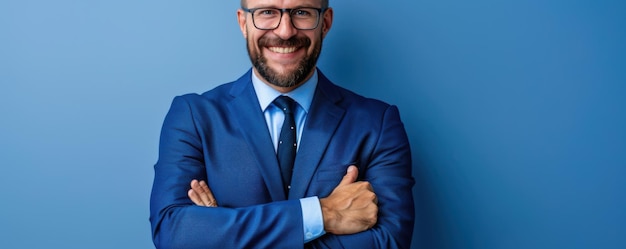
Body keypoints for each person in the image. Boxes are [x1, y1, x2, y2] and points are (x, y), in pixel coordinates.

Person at [149, 0, 415, 248]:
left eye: (302, 12)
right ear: (244, 23)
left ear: (325, 22)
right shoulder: (193, 116)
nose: (285, 31)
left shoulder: (377, 123)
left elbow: (389, 240)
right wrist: (324, 213)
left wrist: (222, 233)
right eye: (267, 12)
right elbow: (173, 232)